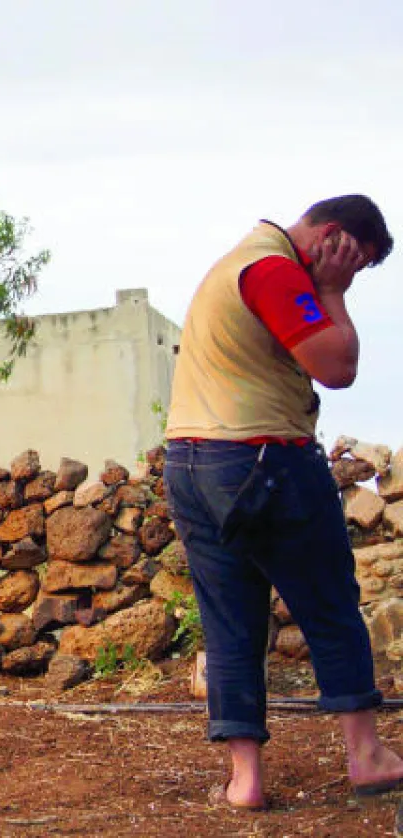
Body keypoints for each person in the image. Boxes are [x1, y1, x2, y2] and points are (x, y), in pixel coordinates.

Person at [163, 194, 400, 810]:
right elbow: (337, 365)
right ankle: (367, 756)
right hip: (261, 460)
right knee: (329, 606)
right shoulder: (276, 272)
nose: (353, 271)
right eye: (358, 259)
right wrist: (336, 291)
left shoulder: (236, 261)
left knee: (231, 624)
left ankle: (245, 781)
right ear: (332, 238)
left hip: (190, 463)